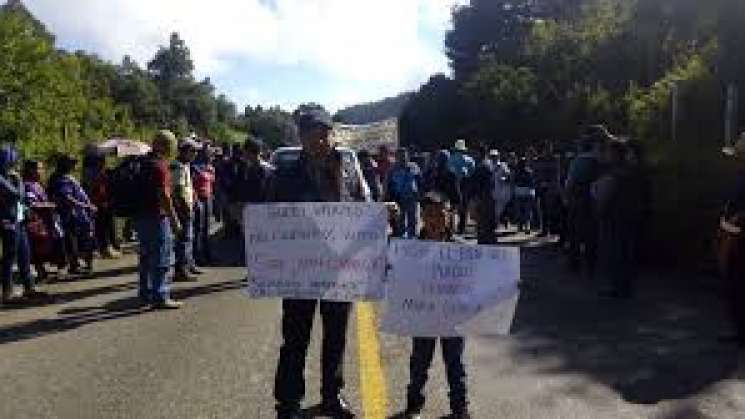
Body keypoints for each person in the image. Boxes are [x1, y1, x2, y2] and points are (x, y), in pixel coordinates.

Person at [269, 104, 366, 419]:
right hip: (299, 274)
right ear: (301, 137)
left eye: (324, 134)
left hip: (340, 269)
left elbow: (365, 205)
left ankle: (331, 396)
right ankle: (288, 403)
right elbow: (269, 220)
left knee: (336, 337)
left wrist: (383, 215)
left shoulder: (350, 168)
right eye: (312, 134)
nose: (319, 140)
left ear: (332, 135)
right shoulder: (284, 175)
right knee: (295, 338)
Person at [399, 191, 470, 419]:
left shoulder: (463, 249)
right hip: (423, 318)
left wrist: (506, 283)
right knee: (419, 363)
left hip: (453, 318)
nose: (435, 220)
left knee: (455, 365)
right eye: (429, 214)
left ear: (449, 216)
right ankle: (414, 405)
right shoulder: (409, 250)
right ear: (421, 217)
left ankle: (459, 408)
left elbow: (481, 279)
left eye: (440, 214)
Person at [135, 130, 183, 309]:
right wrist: (174, 219)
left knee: (146, 257)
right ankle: (161, 295)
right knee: (161, 257)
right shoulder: (159, 166)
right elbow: (164, 195)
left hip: (141, 216)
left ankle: (145, 293)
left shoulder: (142, 162)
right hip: (156, 216)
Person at [592, 140, 644, 299]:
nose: (606, 155)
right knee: (626, 252)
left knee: (616, 252)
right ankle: (626, 286)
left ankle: (617, 286)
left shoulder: (616, 174)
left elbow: (605, 197)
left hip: (615, 218)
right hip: (631, 216)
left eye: (609, 152)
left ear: (615, 154)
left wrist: (600, 210)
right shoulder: (633, 172)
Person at [0, 145, 48, 304]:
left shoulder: (12, 176)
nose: (14, 163)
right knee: (9, 257)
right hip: (8, 222)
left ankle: (29, 288)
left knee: (24, 255)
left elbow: (21, 197)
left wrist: (17, 180)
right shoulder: (3, 177)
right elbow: (15, 193)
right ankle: (7, 292)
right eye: (12, 159)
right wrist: (19, 181)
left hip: (19, 220)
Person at [565, 126, 608, 277]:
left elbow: (570, 182)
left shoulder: (578, 161)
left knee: (575, 233)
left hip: (578, 199)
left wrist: (567, 197)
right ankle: (591, 265)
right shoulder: (602, 161)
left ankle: (574, 264)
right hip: (595, 200)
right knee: (592, 234)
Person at [49, 155, 96, 275]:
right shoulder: (61, 179)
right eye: (71, 163)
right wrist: (85, 205)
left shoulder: (66, 177)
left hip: (78, 214)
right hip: (71, 215)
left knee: (78, 239)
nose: (74, 166)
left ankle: (78, 263)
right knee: (73, 240)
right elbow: (67, 198)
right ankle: (74, 265)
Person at [719, 134, 745, 345]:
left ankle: (741, 332)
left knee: (737, 286)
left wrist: (729, 239)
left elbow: (738, 215)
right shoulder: (739, 177)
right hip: (734, 237)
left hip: (738, 242)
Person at [23, 160, 65, 281]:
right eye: (39, 169)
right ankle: (40, 270)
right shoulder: (28, 185)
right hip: (35, 222)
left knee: (47, 245)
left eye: (42, 169)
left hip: (45, 221)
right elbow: (32, 204)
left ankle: (45, 269)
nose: (41, 171)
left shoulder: (37, 184)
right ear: (31, 170)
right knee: (37, 247)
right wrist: (49, 205)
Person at [171, 140, 201, 282]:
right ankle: (180, 269)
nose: (195, 154)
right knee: (183, 239)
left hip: (188, 205)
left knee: (189, 238)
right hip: (182, 209)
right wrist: (185, 208)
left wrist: (193, 198)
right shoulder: (177, 167)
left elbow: (188, 187)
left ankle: (189, 264)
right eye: (193, 151)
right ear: (185, 151)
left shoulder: (185, 165)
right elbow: (178, 190)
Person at [84, 154, 120, 259]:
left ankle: (109, 246)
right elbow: (94, 189)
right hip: (98, 203)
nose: (104, 163)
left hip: (104, 202)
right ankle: (105, 248)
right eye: (102, 161)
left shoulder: (102, 172)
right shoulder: (93, 173)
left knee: (108, 225)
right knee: (102, 227)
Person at [387, 147, 422, 239]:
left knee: (413, 219)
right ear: (396, 157)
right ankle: (400, 238)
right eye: (400, 156)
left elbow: (419, 180)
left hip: (412, 197)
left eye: (404, 155)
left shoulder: (414, 166)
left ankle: (412, 237)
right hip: (398, 198)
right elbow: (387, 184)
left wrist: (420, 193)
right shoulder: (392, 169)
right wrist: (388, 196)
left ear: (407, 156)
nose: (403, 157)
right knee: (400, 219)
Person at [192, 144, 216, 266]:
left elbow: (212, 184)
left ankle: (207, 255)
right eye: (209, 153)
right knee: (198, 230)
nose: (211, 155)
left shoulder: (211, 168)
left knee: (207, 229)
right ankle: (197, 257)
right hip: (198, 200)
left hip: (208, 199)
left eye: (211, 153)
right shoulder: (195, 167)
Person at [448, 139, 476, 235]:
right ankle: (461, 228)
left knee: (452, 207)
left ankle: (451, 227)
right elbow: (473, 173)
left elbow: (449, 171)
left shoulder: (450, 159)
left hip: (453, 184)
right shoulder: (470, 160)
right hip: (466, 184)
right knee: (464, 207)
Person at [471, 146, 497, 244]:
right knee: (488, 222)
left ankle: (484, 243)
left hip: (483, 197)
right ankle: (489, 241)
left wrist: (475, 197)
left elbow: (476, 184)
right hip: (489, 196)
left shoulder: (481, 166)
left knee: (483, 223)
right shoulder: (489, 164)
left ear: (480, 154)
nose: (474, 155)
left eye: (475, 153)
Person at [513, 158, 536, 233]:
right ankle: (521, 226)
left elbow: (532, 183)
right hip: (521, 192)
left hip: (526, 193)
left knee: (526, 211)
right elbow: (515, 181)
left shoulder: (528, 172)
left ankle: (526, 226)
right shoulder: (518, 172)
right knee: (522, 211)